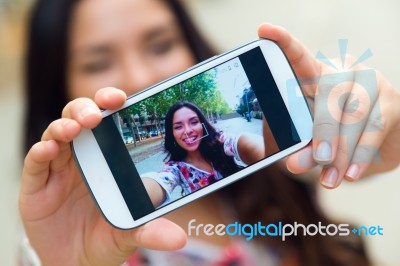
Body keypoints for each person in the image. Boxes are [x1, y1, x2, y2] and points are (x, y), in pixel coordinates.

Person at [19, 0, 400, 265]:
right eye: (97, 62)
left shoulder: (254, 166)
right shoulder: (163, 181)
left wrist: (381, 140)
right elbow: (155, 184)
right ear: (59, 86)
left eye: (161, 44)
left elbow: (257, 148)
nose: (139, 77)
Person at [142, 101, 264, 207]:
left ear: (203, 125)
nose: (188, 131)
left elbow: (243, 143)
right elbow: (158, 183)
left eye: (194, 122)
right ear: (172, 134)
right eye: (178, 127)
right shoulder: (176, 169)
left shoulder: (222, 142)